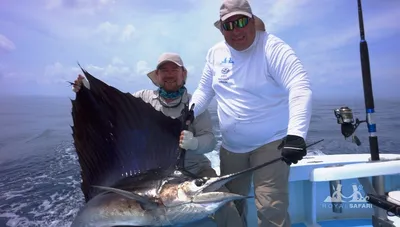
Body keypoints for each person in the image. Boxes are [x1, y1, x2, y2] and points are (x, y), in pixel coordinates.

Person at [71, 52, 245, 227]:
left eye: (174, 70)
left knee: (227, 208)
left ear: (183, 74)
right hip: (141, 178)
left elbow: (210, 141)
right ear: (157, 76)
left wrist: (195, 143)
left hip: (195, 171)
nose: (169, 74)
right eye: (164, 70)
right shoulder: (143, 98)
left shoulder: (196, 103)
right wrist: (87, 90)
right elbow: (111, 112)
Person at [189, 0, 313, 226]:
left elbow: (299, 85)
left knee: (270, 207)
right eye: (228, 25)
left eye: (241, 21)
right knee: (230, 205)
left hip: (271, 143)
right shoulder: (215, 53)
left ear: (252, 21)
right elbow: (204, 90)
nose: (235, 30)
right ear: (221, 29)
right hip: (231, 147)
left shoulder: (273, 48)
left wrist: (296, 135)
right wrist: (190, 112)